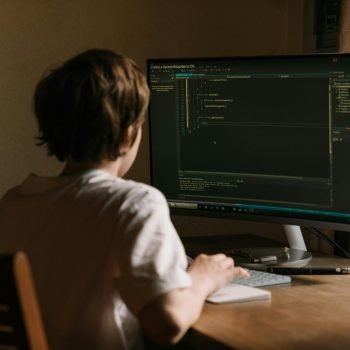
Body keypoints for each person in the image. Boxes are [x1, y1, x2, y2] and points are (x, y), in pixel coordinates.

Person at [0, 49, 248, 350]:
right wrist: (204, 277)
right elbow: (166, 323)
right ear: (129, 134)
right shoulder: (134, 203)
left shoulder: (14, 202)